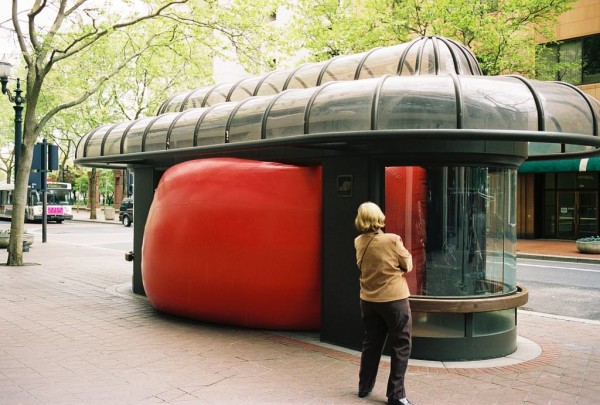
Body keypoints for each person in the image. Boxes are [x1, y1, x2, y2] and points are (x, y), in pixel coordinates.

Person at [354, 201, 414, 405]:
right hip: (394, 301)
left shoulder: (359, 241)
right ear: (379, 217)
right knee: (401, 345)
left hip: (368, 300)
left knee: (371, 344)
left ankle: (364, 387)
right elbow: (408, 264)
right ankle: (396, 395)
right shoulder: (392, 240)